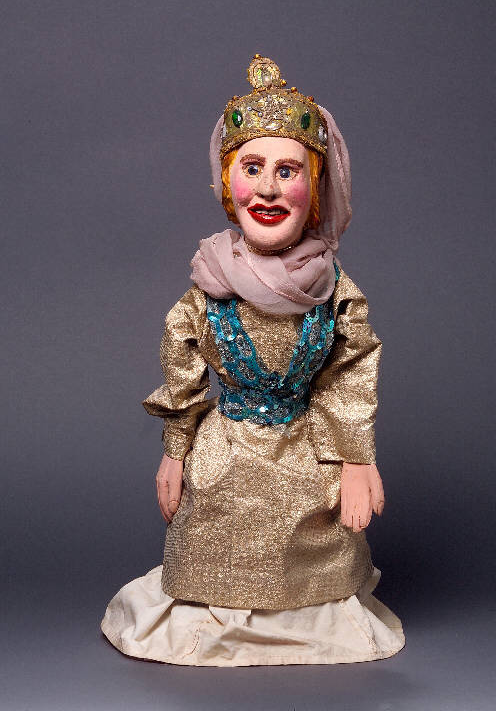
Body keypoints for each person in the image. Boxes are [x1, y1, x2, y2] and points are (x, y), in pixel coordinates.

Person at [101, 55, 405, 666]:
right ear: (227, 182)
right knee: (214, 537)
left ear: (315, 188)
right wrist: (176, 449)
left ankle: (308, 614)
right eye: (252, 167)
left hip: (306, 456)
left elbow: (350, 370)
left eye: (287, 171)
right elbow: (183, 368)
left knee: (317, 541)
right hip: (226, 459)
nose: (267, 188)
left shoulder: (333, 289)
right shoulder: (209, 283)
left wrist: (354, 457)